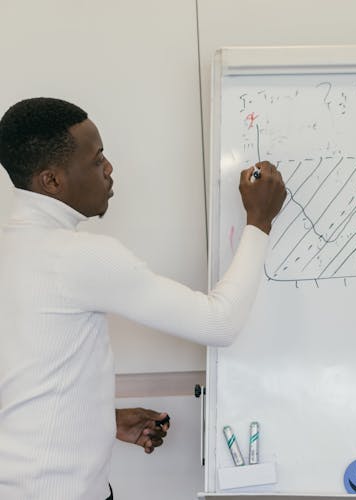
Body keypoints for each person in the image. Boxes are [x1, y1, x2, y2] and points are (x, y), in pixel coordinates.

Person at [0, 97, 286, 499]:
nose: (109, 168)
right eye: (97, 159)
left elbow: (26, 376)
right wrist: (260, 221)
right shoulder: (80, 257)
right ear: (52, 181)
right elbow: (219, 323)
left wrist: (102, 419)